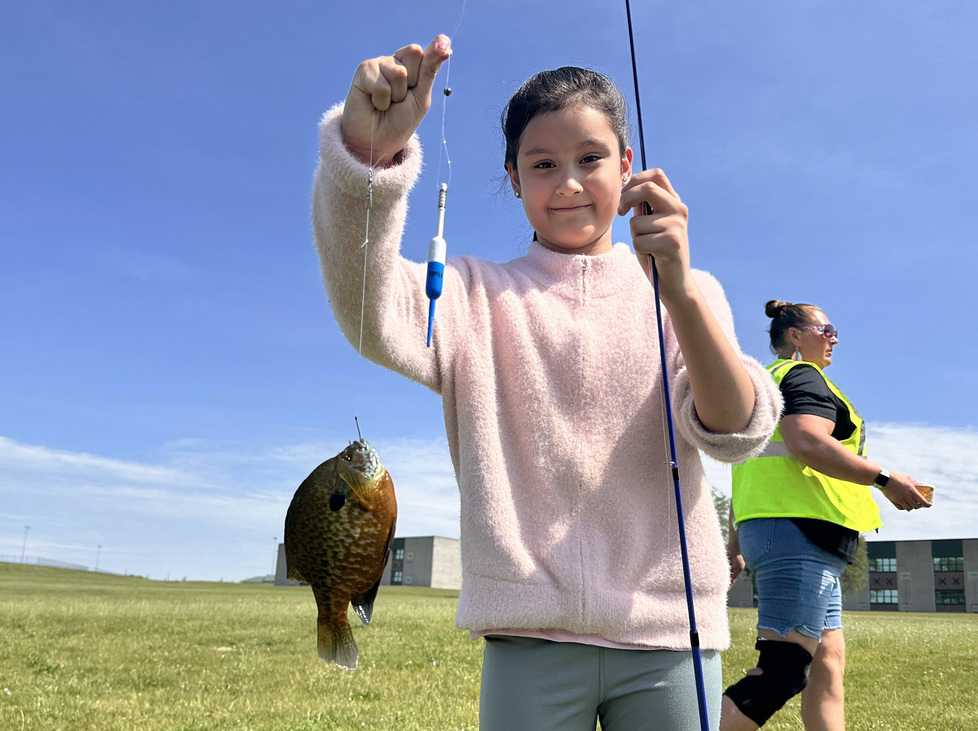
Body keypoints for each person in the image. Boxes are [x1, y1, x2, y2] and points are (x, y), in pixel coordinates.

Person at [312, 34, 783, 731]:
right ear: (513, 177)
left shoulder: (690, 290)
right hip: (526, 638)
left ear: (627, 166)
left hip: (668, 636)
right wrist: (366, 161)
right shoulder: (472, 294)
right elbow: (367, 310)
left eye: (590, 159)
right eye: (542, 164)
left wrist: (680, 294)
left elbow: (735, 431)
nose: (568, 182)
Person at [720, 301, 932, 731]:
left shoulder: (763, 383)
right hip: (799, 532)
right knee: (781, 670)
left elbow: (751, 469)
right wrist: (885, 479)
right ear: (796, 335)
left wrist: (736, 544)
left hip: (787, 531)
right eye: (827, 329)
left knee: (828, 661)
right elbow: (807, 441)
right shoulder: (803, 376)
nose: (835, 337)